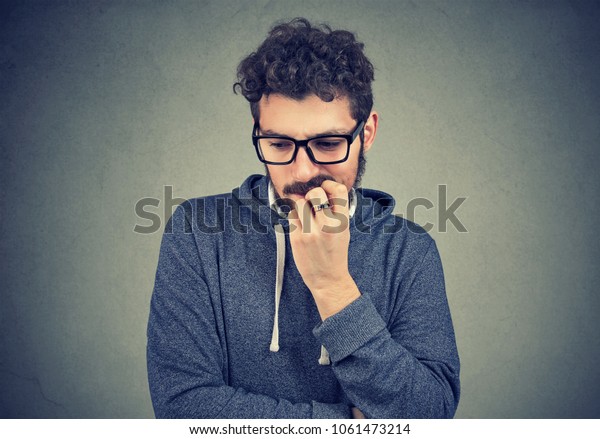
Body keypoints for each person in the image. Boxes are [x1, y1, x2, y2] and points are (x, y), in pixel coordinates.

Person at [146, 17, 460, 419]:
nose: (301, 172)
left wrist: (333, 286)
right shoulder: (196, 232)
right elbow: (183, 409)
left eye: (328, 144)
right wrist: (346, 424)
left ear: (367, 133)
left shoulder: (409, 251)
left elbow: (428, 416)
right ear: (257, 131)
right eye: (278, 143)